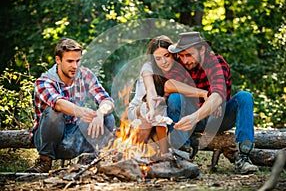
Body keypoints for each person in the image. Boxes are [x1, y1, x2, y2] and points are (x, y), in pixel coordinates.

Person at [166, 31, 259, 174]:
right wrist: (203, 94)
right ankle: (181, 155)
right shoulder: (180, 64)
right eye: (182, 55)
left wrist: (201, 111)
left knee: (245, 97)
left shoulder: (216, 62)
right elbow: (169, 85)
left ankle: (243, 157)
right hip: (187, 119)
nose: (185, 60)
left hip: (217, 119)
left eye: (189, 55)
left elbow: (217, 96)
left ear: (202, 50)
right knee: (175, 98)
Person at [26, 38, 116, 173]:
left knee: (107, 117)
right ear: (58, 60)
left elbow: (107, 100)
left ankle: (87, 160)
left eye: (77, 61)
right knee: (54, 112)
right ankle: (44, 161)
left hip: (74, 140)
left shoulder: (85, 75)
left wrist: (100, 113)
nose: (75, 66)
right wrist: (81, 111)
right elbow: (59, 104)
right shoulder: (43, 82)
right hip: (49, 140)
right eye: (70, 61)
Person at [128, 35, 200, 159]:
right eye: (158, 58)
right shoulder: (148, 68)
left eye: (167, 56)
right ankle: (160, 152)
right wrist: (151, 109)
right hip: (141, 108)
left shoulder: (180, 66)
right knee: (156, 105)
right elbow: (151, 90)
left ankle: (175, 149)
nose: (164, 62)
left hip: (165, 110)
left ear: (173, 54)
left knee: (164, 103)